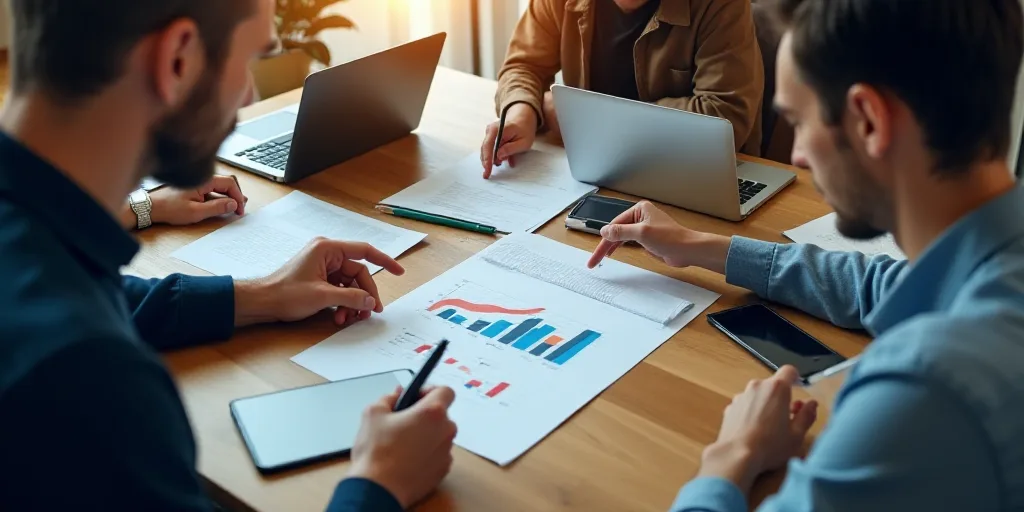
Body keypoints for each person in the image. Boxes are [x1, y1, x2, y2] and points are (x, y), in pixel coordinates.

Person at [0, 1, 456, 511]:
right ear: (178, 60)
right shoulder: (88, 380)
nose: (250, 94)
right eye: (249, 60)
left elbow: (92, 296)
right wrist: (378, 486)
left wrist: (264, 296)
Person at [588, 0, 1024, 510]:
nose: (796, 154)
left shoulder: (922, 394)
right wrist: (696, 246)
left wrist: (730, 458)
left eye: (798, 120)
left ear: (869, 121)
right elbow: (885, 285)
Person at [481, 0, 765, 176]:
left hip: (689, 171)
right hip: (598, 168)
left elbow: (724, 117)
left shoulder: (721, 4)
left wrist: (584, 118)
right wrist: (521, 113)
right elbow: (524, 65)